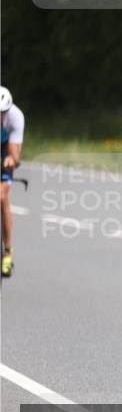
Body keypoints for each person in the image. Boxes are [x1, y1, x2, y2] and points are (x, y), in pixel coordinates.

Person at [0, 86, 25, 278]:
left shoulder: (16, 117)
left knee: (2, 196)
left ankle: (7, 251)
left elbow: (15, 154)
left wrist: (10, 160)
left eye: (3, 114)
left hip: (4, 150)